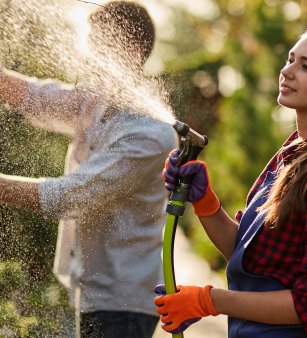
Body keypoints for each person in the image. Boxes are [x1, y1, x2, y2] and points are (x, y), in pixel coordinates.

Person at [155, 23, 307, 337]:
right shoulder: (290, 154)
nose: (288, 71)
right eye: (290, 60)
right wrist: (206, 204)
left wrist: (208, 300)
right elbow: (253, 259)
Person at [0, 1, 177, 337]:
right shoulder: (96, 102)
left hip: (123, 305)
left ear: (133, 53)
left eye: (98, 44)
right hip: (91, 289)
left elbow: (69, 195)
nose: (87, 54)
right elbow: (37, 97)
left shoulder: (150, 134)